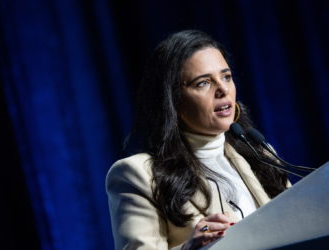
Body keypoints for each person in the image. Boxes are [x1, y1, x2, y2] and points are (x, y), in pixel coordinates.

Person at [106, 30, 289, 250]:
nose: (222, 89)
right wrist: (190, 248)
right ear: (173, 101)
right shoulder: (138, 175)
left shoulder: (261, 154)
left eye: (226, 77)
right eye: (203, 83)